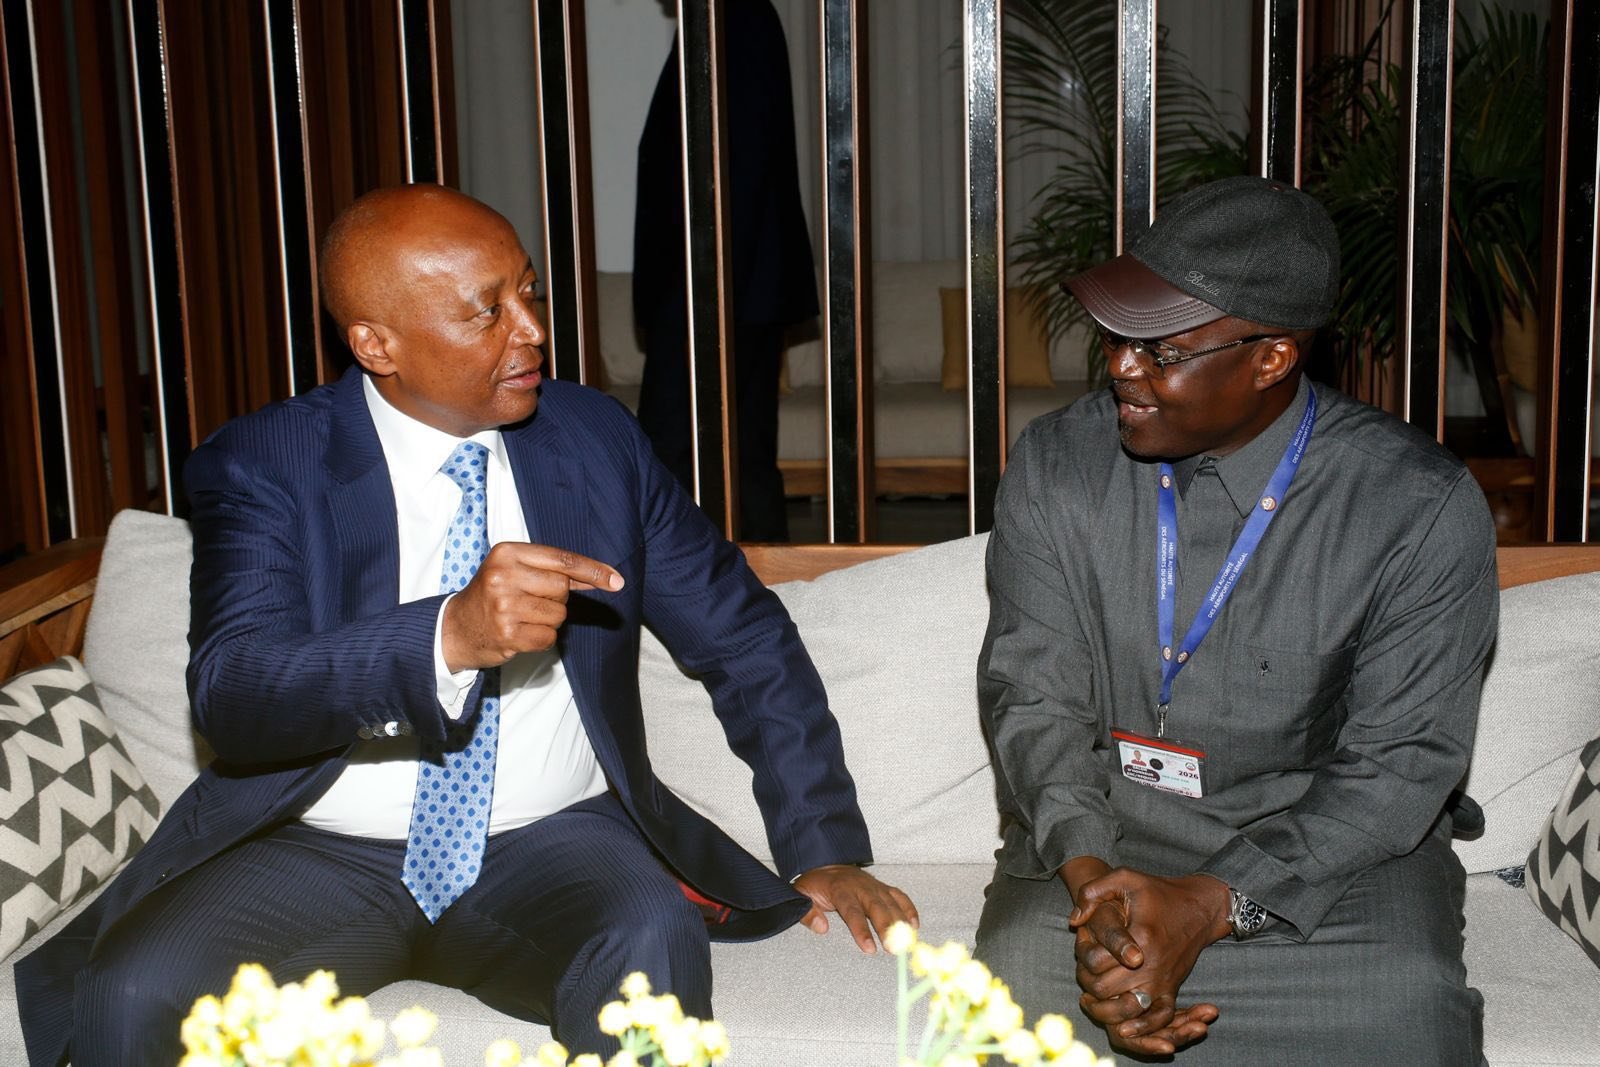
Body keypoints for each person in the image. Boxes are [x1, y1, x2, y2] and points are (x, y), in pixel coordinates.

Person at [14, 185, 914, 1066]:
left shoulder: (594, 440)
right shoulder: (266, 462)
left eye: (529, 292)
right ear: (377, 343)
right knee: (133, 990)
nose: (532, 329)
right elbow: (235, 691)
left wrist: (824, 844)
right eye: (488, 311)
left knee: (651, 940)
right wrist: (447, 636)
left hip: (552, 842)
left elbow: (742, 636)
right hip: (317, 848)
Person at [973, 176, 1497, 1064]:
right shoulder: (1057, 466)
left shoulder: (1415, 505)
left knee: (1406, 1007)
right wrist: (1096, 888)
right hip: (1107, 834)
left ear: (1271, 358)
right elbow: (1033, 697)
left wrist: (1209, 904)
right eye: (1117, 338)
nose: (1121, 368)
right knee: (1012, 989)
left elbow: (1401, 764)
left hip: (1324, 858)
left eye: (1161, 350)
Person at [633, 0, 817, 542]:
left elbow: (745, 161)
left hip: (716, 285)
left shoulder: (734, 16)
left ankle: (698, 574)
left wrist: (711, 292)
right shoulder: (726, 16)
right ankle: (757, 573)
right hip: (721, 283)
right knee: (732, 450)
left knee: (681, 449)